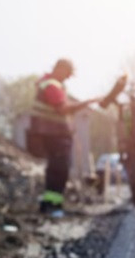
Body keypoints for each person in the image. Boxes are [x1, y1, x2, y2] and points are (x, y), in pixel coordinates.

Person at [27, 59, 96, 217]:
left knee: (57, 168)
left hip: (55, 135)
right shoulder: (51, 85)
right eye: (68, 74)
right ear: (60, 69)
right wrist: (87, 102)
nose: (68, 78)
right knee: (59, 169)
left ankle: (51, 204)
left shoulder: (51, 84)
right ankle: (53, 206)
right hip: (54, 135)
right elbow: (63, 108)